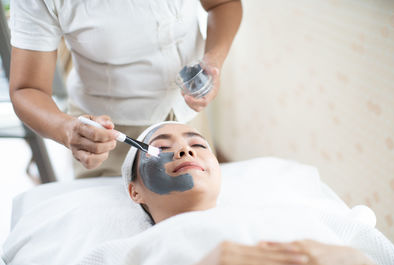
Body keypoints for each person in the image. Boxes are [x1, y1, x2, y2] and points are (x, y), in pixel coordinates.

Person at [8, 0, 242, 178]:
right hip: (109, 137)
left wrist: (214, 60)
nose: (185, 154)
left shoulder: (190, 144)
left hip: (187, 115)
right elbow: (27, 88)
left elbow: (223, 3)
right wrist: (67, 130)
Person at [120, 121, 389, 265]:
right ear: (135, 192)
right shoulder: (129, 252)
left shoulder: (293, 214)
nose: (185, 151)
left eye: (198, 144)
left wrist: (358, 261)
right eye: (162, 147)